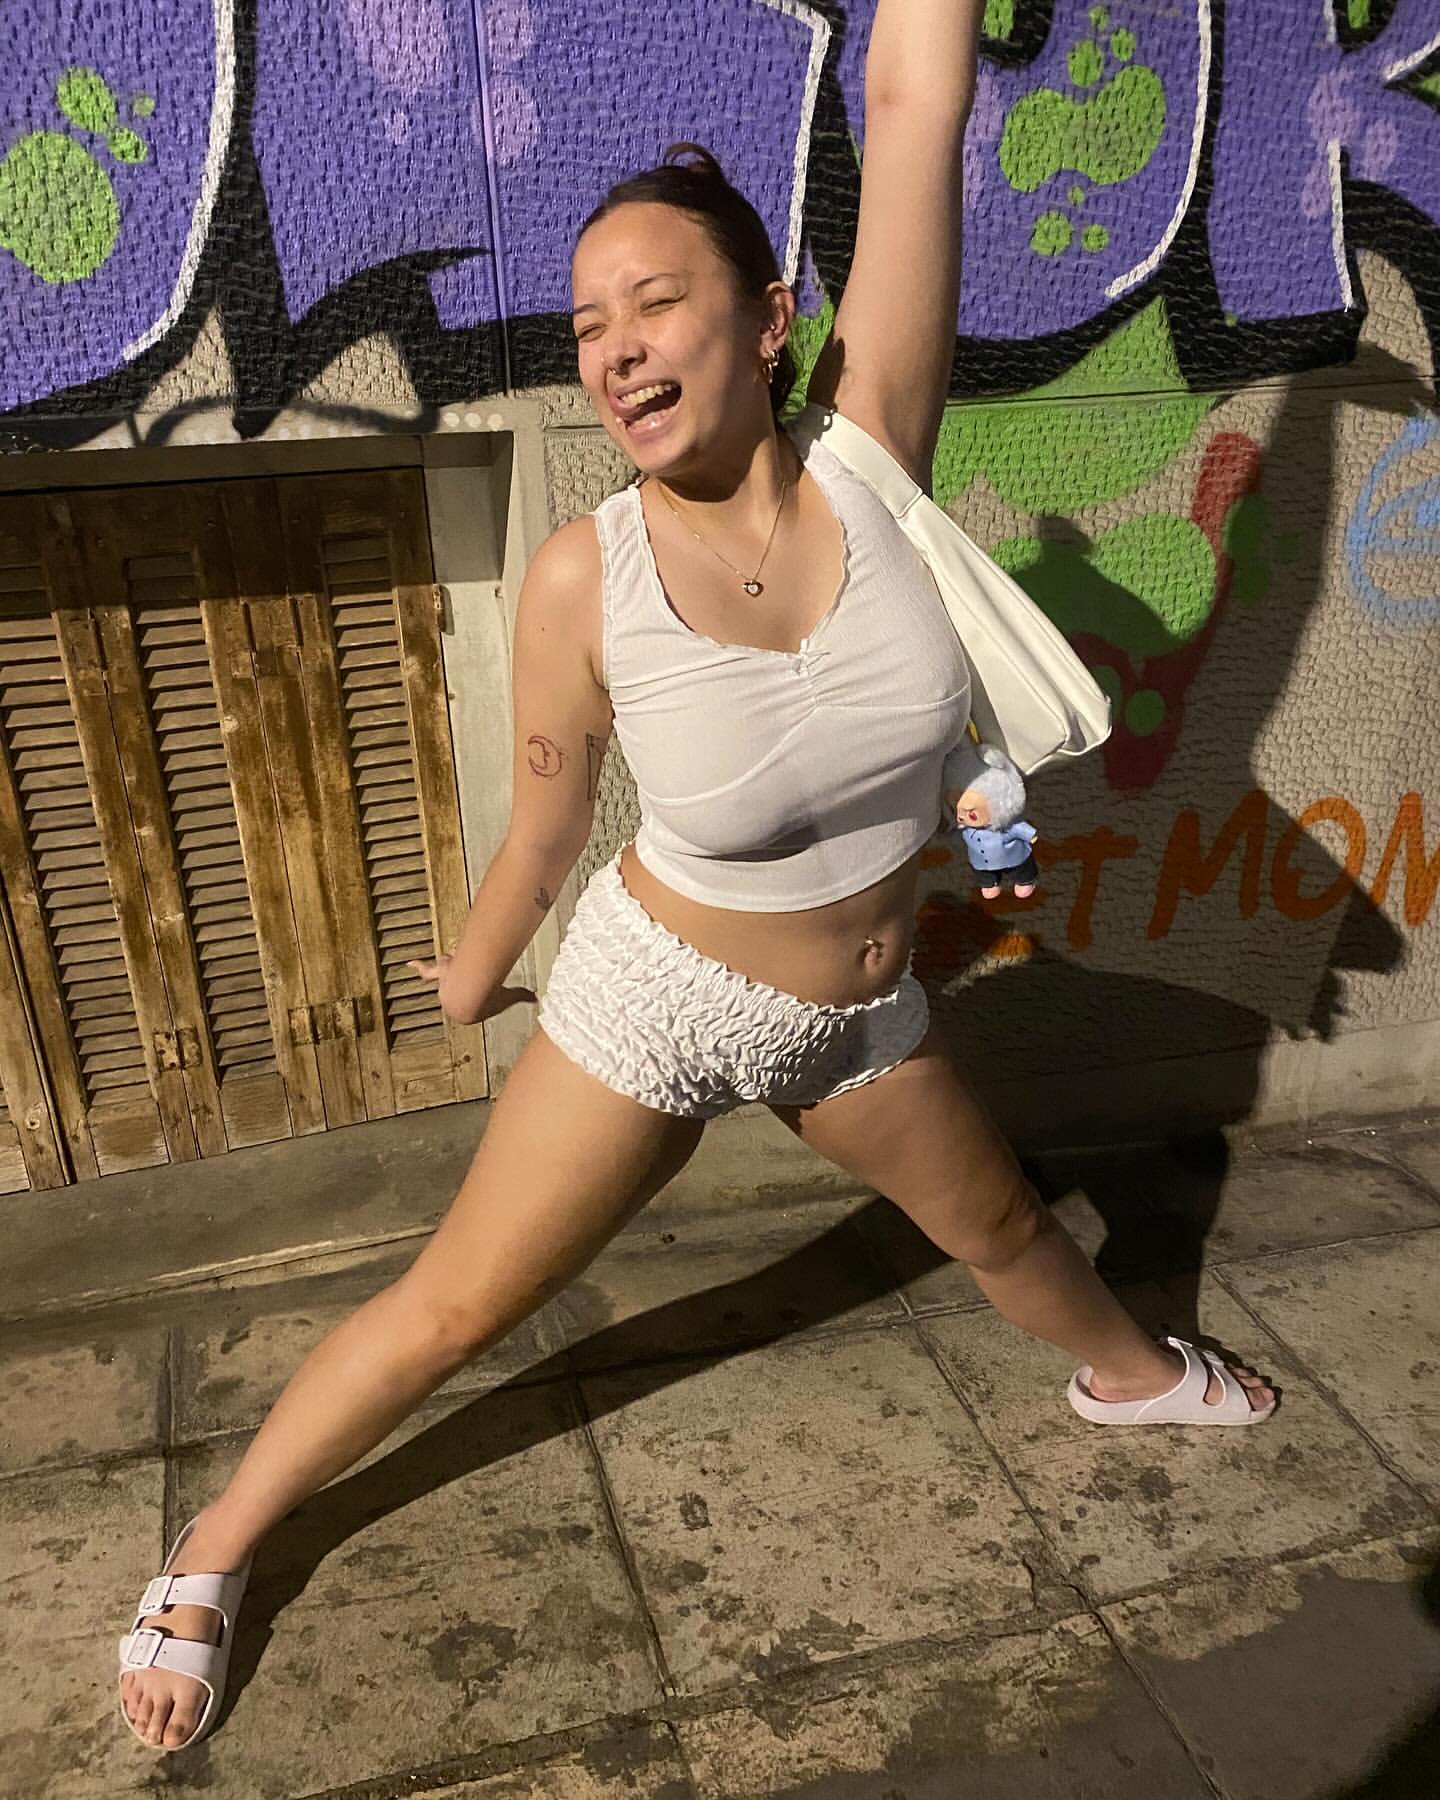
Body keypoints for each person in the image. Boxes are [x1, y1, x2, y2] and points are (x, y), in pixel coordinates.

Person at [117, 0, 1274, 1753]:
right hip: (656, 1004)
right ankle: (211, 1551)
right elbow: (548, 823)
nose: (617, 349)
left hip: (863, 1020)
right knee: (456, 1306)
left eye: (656, 302)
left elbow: (912, 99)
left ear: (773, 318)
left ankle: (1134, 1374)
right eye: (590, 323)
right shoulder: (584, 578)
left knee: (1005, 1228)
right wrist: (470, 971)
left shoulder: (872, 459)